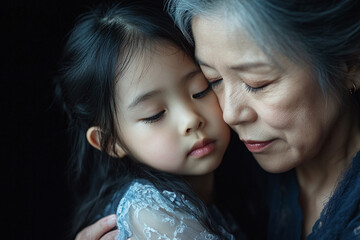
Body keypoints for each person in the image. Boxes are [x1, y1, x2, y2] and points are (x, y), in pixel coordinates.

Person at [79, 0, 360, 239]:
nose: (229, 113)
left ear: (350, 63)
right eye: (212, 82)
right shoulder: (224, 166)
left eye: (257, 83)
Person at [55, 1, 244, 239]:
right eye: (155, 114)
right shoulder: (152, 214)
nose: (191, 120)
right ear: (111, 142)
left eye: (201, 90)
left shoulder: (244, 182)